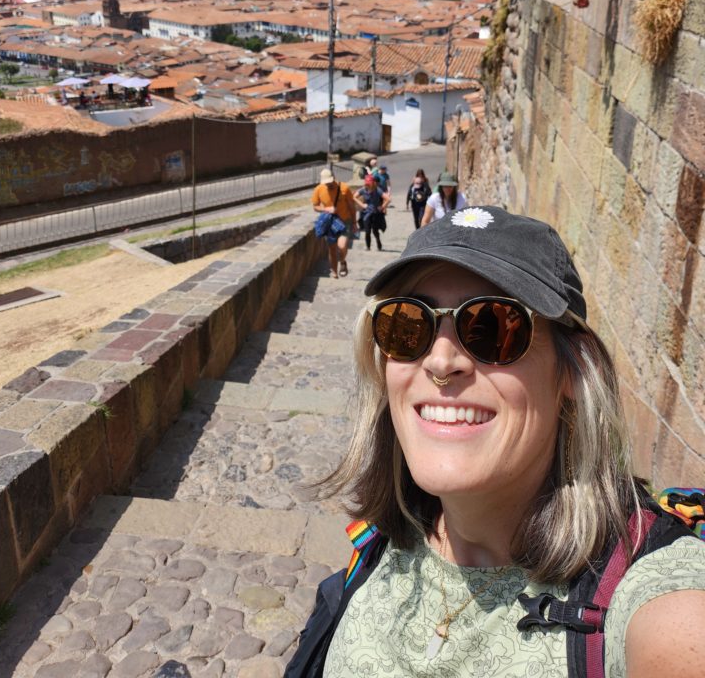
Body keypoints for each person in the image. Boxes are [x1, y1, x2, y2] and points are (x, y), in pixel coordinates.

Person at [286, 206, 705, 677]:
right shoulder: (390, 532)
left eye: (492, 327)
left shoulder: (657, 599)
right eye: (409, 326)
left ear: (572, 369)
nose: (441, 361)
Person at [311, 167, 363, 279]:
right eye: (326, 183)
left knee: (342, 245)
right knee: (332, 249)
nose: (328, 185)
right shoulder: (319, 189)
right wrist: (326, 209)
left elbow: (351, 206)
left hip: (345, 221)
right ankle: (334, 272)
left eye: (329, 182)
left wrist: (354, 222)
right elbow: (315, 206)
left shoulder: (344, 188)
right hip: (330, 222)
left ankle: (343, 261)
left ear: (333, 178)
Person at [356, 173, 390, 251]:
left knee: (375, 231)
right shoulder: (363, 190)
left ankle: (379, 243)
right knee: (367, 231)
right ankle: (368, 247)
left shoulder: (377, 190)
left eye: (369, 183)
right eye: (366, 183)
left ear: (372, 183)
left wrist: (382, 207)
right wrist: (362, 204)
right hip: (366, 213)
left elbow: (388, 199)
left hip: (376, 214)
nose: (367, 185)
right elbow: (353, 197)